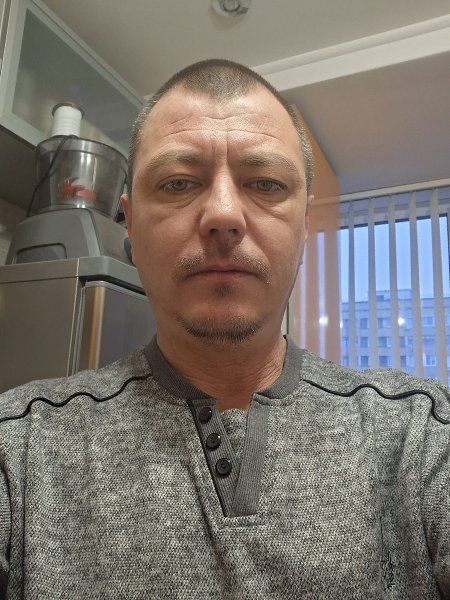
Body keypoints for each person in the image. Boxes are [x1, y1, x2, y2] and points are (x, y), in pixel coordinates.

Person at [0, 59, 449, 600]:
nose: (223, 214)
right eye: (177, 182)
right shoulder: (19, 450)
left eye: (265, 183)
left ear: (304, 227)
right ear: (131, 223)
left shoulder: (422, 436)